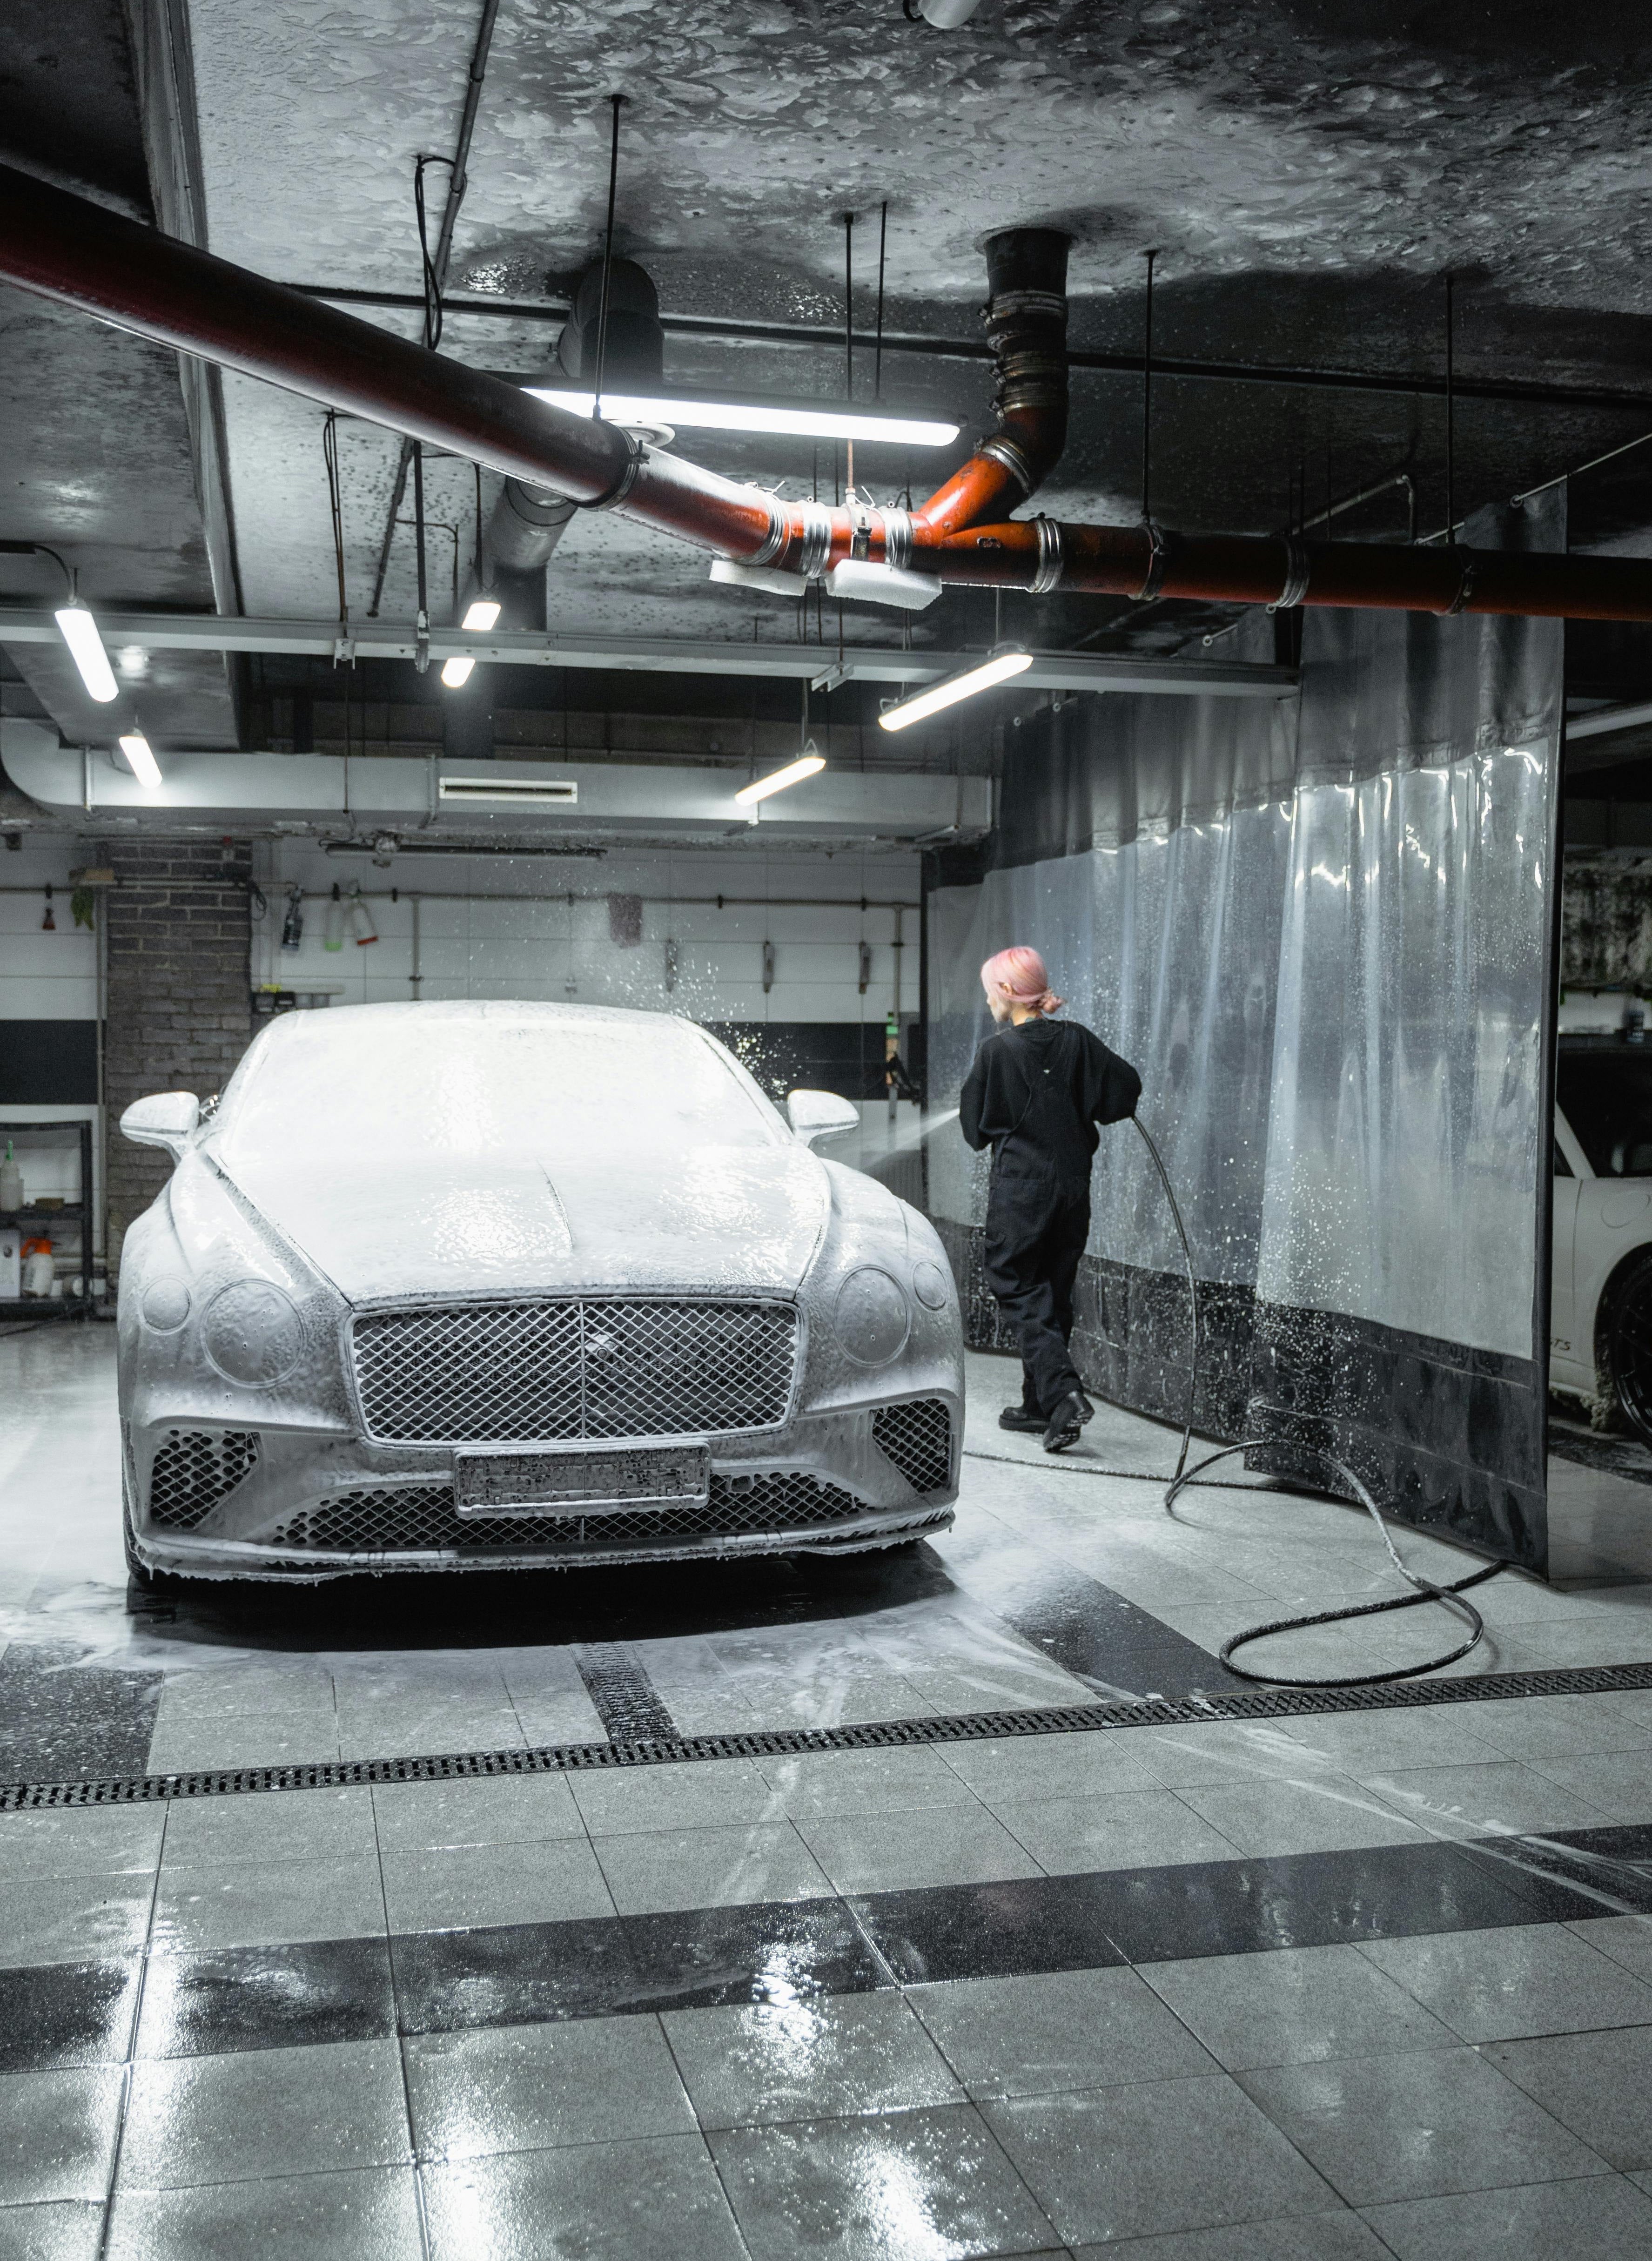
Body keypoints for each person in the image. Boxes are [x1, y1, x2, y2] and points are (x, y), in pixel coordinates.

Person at [960, 946, 1141, 1452]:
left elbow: (975, 1132)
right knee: (1052, 1291)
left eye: (987, 991)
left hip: (1022, 1190)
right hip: (1072, 1188)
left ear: (1006, 992)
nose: (987, 1001)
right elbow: (1124, 1090)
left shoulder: (997, 1052)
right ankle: (1039, 1405)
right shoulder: (1078, 1041)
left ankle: (1062, 1395)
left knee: (1016, 1285)